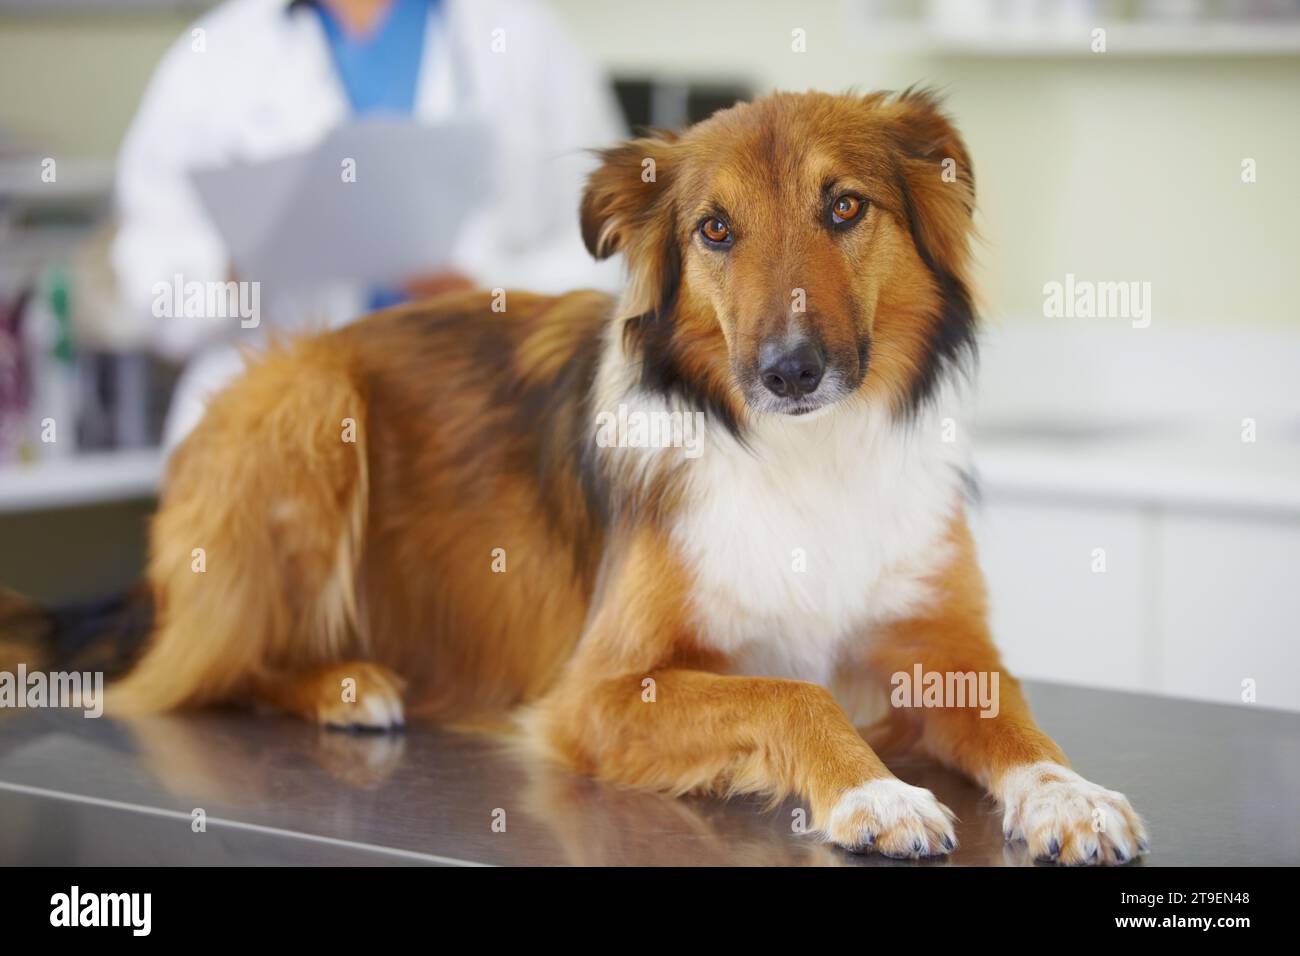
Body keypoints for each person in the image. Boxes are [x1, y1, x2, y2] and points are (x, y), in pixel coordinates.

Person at [111, 0, 626, 448]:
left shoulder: (528, 40)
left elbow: (620, 256)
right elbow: (154, 293)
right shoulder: (212, 58)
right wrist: (236, 263)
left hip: (483, 426)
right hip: (270, 434)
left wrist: (490, 297)